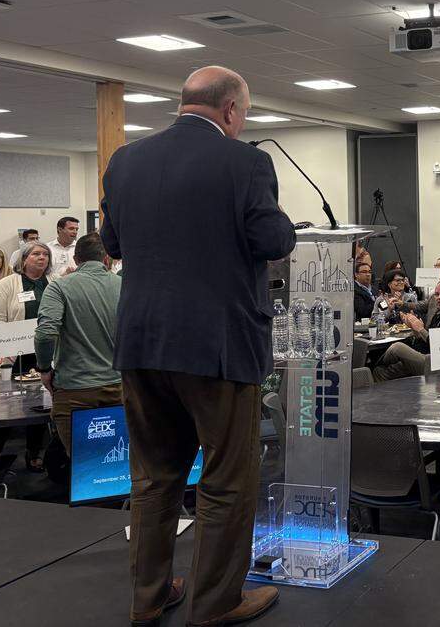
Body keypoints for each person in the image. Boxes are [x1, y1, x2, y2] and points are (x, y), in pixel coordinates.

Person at [100, 66, 296, 626]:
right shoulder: (247, 162)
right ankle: (216, 602)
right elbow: (271, 239)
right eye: (246, 113)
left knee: (154, 477)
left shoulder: (126, 161)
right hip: (219, 347)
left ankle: (148, 596)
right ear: (231, 110)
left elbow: (112, 242)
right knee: (227, 480)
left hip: (140, 342)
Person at [33, 233, 122, 456]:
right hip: (123, 387)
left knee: (85, 467)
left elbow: (45, 334)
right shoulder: (125, 286)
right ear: (106, 259)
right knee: (119, 462)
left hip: (75, 391)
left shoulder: (59, 288)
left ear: (75, 258)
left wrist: (44, 369)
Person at [0, 240, 53, 471]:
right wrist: (2, 347)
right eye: (36, 254)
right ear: (24, 259)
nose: (42, 257)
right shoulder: (8, 284)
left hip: (46, 352)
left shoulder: (53, 283)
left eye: (45, 254)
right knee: (9, 402)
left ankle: (34, 453)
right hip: (14, 353)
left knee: (42, 403)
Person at [46, 216, 80, 280]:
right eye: (71, 228)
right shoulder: (47, 248)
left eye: (76, 229)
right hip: (52, 286)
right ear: (60, 230)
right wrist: (62, 276)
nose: (75, 232)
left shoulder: (80, 248)